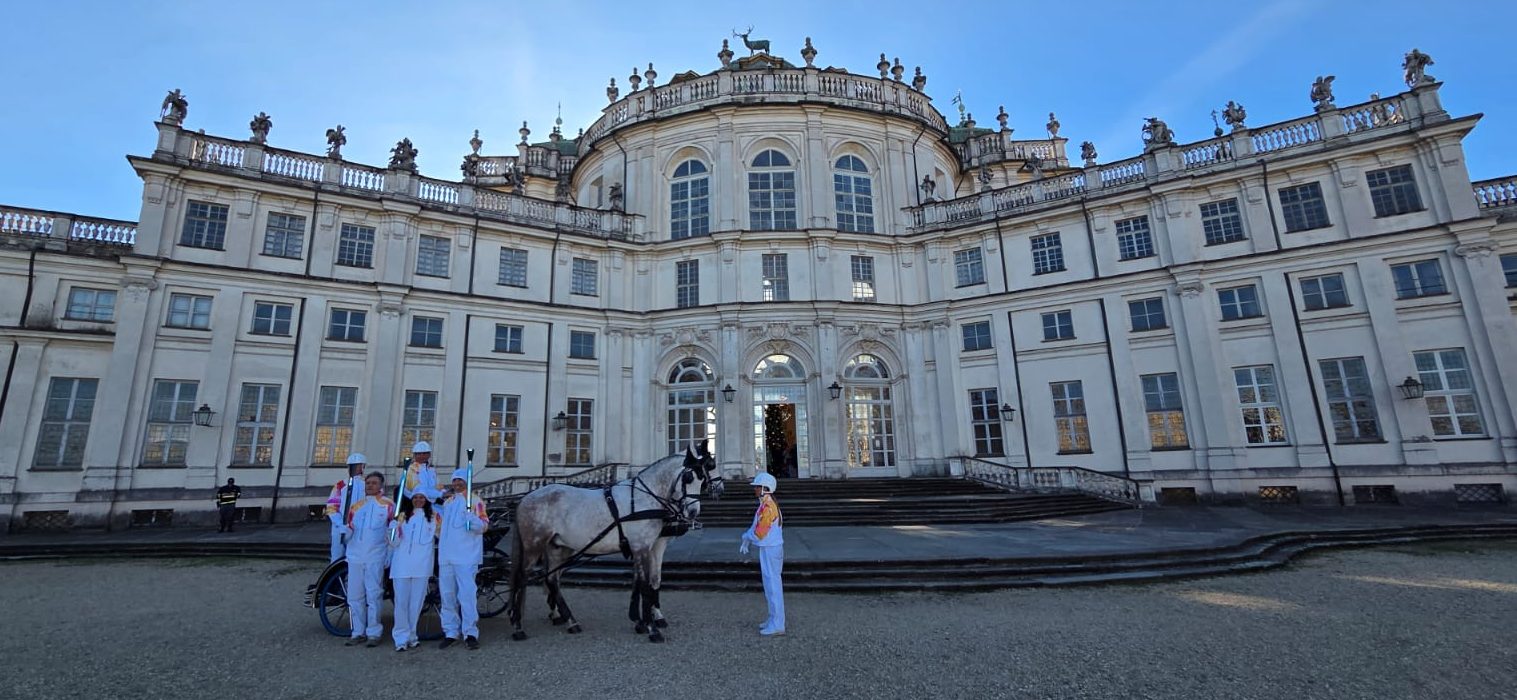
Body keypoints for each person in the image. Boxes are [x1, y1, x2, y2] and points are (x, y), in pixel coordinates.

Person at [436, 468, 488, 650]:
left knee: (466, 595)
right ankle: (450, 631)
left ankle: (470, 632)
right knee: (447, 596)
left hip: (466, 556)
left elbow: (483, 526)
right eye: (455, 481)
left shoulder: (475, 501)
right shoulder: (448, 503)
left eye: (461, 481)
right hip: (447, 557)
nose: (457, 484)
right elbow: (439, 529)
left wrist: (471, 519)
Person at [342, 472, 394, 647]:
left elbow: (392, 533)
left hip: (375, 556)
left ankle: (374, 632)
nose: (370, 486)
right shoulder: (356, 506)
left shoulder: (388, 505)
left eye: (374, 483)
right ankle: (357, 631)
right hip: (355, 556)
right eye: (368, 483)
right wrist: (345, 532)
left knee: (373, 594)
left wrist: (389, 555)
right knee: (355, 596)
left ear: (381, 486)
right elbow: (350, 529)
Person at [389, 490, 439, 652]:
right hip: (401, 565)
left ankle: (412, 635)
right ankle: (400, 637)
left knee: (416, 604)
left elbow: (443, 536)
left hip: (422, 566)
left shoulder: (434, 518)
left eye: (421, 497)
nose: (418, 500)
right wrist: (393, 529)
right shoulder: (402, 517)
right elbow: (393, 543)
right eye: (415, 497)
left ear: (426, 499)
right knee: (401, 603)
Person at [740, 471, 785, 636]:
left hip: (770, 548)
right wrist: (747, 536)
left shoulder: (768, 507)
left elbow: (760, 532)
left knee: (773, 586)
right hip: (768, 547)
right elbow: (756, 525)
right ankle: (773, 618)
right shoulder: (766, 504)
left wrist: (747, 537)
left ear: (765, 488)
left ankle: (778, 623)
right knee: (770, 585)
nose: (755, 489)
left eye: (757, 487)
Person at [325, 454, 368, 562]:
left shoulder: (369, 485)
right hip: (340, 528)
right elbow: (331, 507)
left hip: (361, 528)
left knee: (357, 558)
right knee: (337, 558)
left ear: (363, 467)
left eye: (357, 466)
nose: (354, 469)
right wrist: (340, 524)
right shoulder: (340, 485)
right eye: (351, 466)